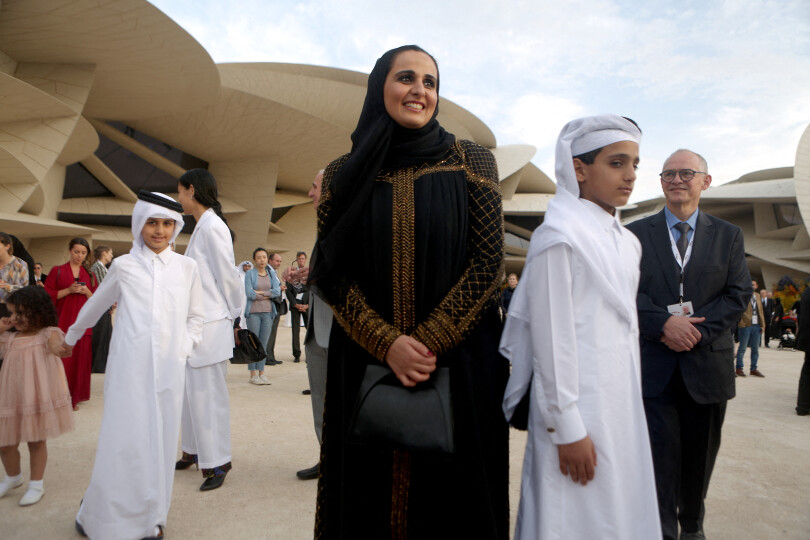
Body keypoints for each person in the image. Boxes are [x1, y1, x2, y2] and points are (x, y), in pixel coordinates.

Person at [310, 45, 509, 538]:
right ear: (381, 87)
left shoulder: (471, 161)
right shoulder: (341, 173)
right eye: (406, 78)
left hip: (458, 360)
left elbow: (488, 263)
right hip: (365, 359)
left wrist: (425, 344)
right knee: (365, 491)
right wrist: (387, 344)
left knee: (454, 497)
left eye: (430, 82)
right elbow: (332, 272)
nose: (420, 90)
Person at [501, 114, 660, 539]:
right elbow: (552, 340)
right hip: (574, 409)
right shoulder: (558, 236)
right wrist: (566, 426)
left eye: (635, 164)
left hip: (621, 406)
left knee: (621, 513)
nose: (630, 176)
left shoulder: (629, 242)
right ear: (578, 168)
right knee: (568, 517)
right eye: (617, 163)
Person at [627, 149, 750, 540]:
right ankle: (660, 531)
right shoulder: (634, 234)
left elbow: (737, 294)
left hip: (707, 369)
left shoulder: (729, 236)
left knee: (699, 461)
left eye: (686, 173)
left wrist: (692, 330)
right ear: (660, 182)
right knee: (657, 464)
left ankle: (692, 528)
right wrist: (663, 324)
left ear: (705, 181)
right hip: (654, 369)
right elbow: (622, 292)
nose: (676, 180)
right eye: (668, 174)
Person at [66, 191, 204, 540]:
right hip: (127, 369)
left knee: (159, 442)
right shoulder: (123, 265)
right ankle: (99, 514)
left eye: (167, 223)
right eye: (152, 223)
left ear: (176, 227)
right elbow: (94, 307)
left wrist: (182, 348)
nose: (159, 230)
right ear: (139, 224)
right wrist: (69, 339)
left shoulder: (188, 268)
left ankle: (152, 519)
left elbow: (196, 317)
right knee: (122, 439)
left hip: (170, 372)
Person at [175, 169, 243, 491]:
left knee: (208, 396)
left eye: (180, 192)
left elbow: (227, 277)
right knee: (191, 394)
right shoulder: (202, 226)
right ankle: (193, 450)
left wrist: (235, 318)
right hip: (197, 324)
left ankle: (217, 462)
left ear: (192, 190)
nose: (179, 199)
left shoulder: (213, 226)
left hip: (213, 323)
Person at [0, 286, 73, 506]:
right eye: (11, 313)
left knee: (35, 440)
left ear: (38, 311)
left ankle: (36, 484)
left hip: (37, 397)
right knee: (5, 442)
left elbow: (55, 347)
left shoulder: (46, 333)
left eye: (20, 313)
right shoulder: (9, 338)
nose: (14, 318)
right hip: (11, 396)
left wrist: (62, 348)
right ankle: (13, 477)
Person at [297, 170, 329, 481]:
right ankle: (328, 458)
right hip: (318, 331)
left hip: (340, 332)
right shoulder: (325, 226)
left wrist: (315, 276)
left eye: (314, 186)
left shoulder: (351, 221)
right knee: (320, 399)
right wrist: (310, 273)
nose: (310, 193)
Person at [44, 238, 96, 410]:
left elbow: (96, 300)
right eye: (76, 251)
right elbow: (47, 296)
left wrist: (87, 291)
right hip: (62, 322)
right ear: (70, 251)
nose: (79, 255)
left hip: (82, 324)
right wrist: (68, 290)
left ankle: (74, 396)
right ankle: (57, 397)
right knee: (61, 361)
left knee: (79, 361)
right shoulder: (57, 271)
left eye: (83, 252)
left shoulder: (90, 275)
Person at [244, 247, 280, 385]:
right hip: (253, 312)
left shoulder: (271, 274)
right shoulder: (250, 274)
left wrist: (260, 293)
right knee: (254, 343)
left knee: (263, 344)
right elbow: (249, 293)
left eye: (264, 257)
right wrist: (266, 294)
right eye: (259, 257)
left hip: (268, 312)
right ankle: (253, 375)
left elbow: (277, 291)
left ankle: (262, 373)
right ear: (254, 259)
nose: (262, 260)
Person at [89, 245, 114, 374]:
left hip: (106, 307)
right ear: (104, 253)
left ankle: (102, 365)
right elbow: (102, 289)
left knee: (106, 336)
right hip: (101, 308)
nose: (112, 255)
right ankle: (97, 365)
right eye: (110, 252)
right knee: (100, 337)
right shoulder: (97, 268)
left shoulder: (102, 268)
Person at [282, 251, 309, 362]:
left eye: (303, 258)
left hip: (307, 305)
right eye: (299, 259)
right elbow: (288, 291)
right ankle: (296, 354)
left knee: (309, 331)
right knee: (295, 331)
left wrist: (307, 305)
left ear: (305, 260)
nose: (301, 260)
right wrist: (294, 304)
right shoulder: (291, 273)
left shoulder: (309, 273)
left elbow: (313, 291)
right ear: (297, 260)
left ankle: (309, 355)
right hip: (295, 304)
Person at [735, 280, 765, 377]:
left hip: (756, 326)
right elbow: (739, 309)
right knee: (742, 348)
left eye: (753, 284)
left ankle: (754, 369)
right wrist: (741, 322)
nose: (751, 286)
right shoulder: (743, 294)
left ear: (756, 286)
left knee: (755, 348)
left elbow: (760, 311)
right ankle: (739, 368)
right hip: (745, 325)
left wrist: (762, 325)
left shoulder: (758, 296)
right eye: (750, 284)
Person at [0, 232, 29, 319]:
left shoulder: (20, 264)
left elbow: (24, 290)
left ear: (7, 246)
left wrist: (7, 286)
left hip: (7, 309)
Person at [264, 252, 285, 366]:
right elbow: (267, 287)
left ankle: (271, 356)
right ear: (270, 261)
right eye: (277, 261)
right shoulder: (267, 271)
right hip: (270, 305)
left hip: (276, 305)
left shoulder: (274, 272)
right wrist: (279, 289)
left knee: (273, 333)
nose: (279, 263)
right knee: (269, 333)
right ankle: (267, 357)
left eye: (280, 261)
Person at [796, 286, 810, 416]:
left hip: (807, 338)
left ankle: (803, 406)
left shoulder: (806, 292)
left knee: (807, 372)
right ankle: (804, 406)